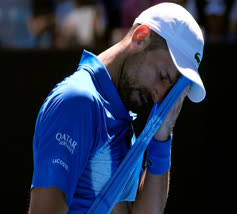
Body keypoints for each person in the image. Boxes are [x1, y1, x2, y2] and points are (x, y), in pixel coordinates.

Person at [28, 2, 206, 214]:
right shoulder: (78, 101)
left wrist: (162, 136)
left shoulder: (120, 116)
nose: (159, 95)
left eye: (170, 89)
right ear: (140, 37)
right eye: (162, 75)